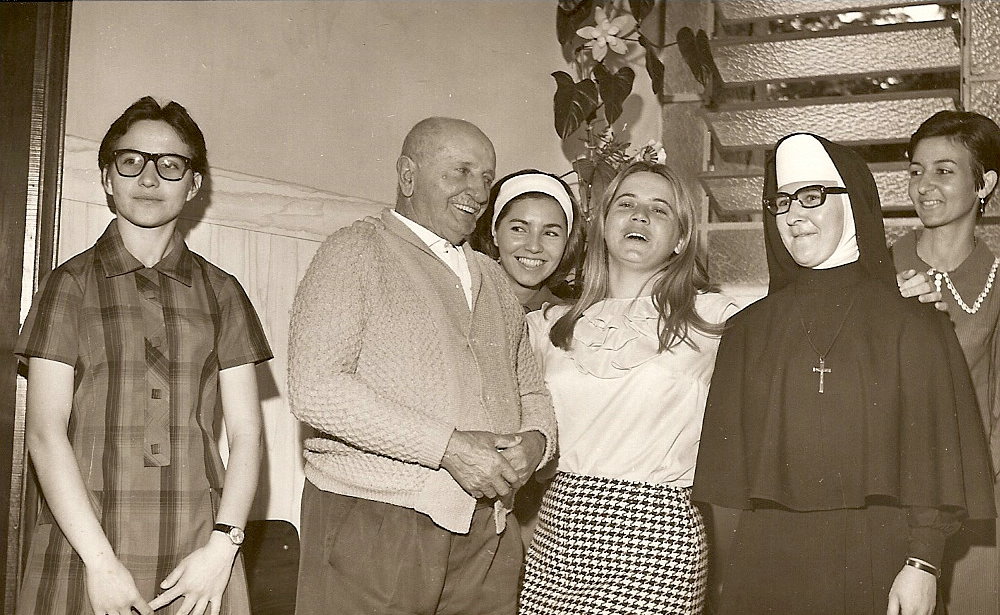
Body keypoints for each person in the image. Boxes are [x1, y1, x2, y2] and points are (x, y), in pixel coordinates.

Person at [693, 132, 995, 615]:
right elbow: (727, 496)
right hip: (767, 564)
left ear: (851, 203)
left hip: (884, 559)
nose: (794, 215)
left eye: (811, 196)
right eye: (781, 202)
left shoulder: (913, 322)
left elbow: (932, 457)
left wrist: (923, 563)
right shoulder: (747, 332)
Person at [288, 116, 557, 615]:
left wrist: (536, 444)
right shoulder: (355, 250)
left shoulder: (493, 278)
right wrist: (448, 448)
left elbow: (532, 392)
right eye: (461, 171)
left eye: (486, 177)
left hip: (488, 529)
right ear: (408, 176)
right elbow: (316, 389)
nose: (478, 191)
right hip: (376, 517)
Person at [15, 96, 272, 615]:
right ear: (107, 178)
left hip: (199, 551)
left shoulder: (222, 292)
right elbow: (44, 432)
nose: (149, 179)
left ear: (193, 185)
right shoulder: (68, 286)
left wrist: (222, 548)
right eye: (131, 161)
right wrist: (100, 564)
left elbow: (247, 435)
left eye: (170, 165)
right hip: (87, 544)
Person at [519, 161, 737, 614]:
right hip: (558, 530)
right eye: (626, 204)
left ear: (680, 239)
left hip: (659, 536)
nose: (640, 216)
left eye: (659, 209)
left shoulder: (715, 318)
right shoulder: (547, 325)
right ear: (602, 224)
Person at [892, 110, 1000, 614]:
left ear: (985, 184)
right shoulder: (878, 270)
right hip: (889, 495)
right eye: (916, 171)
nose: (924, 185)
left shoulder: (997, 280)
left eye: (943, 170)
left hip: (977, 500)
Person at [469, 169, 585, 311]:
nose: (534, 247)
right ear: (495, 232)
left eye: (550, 233)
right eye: (519, 229)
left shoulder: (573, 319)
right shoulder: (460, 303)